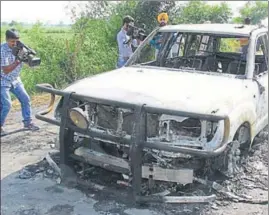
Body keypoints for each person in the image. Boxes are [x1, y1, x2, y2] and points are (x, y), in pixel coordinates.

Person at [1, 29, 40, 135]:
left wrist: (29, 56)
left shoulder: (20, 47)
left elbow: (29, 63)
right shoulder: (2, 50)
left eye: (16, 41)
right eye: (12, 41)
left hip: (15, 79)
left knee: (25, 99)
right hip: (2, 80)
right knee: (6, 104)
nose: (14, 44)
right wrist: (18, 60)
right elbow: (6, 70)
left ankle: (28, 123)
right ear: (7, 40)